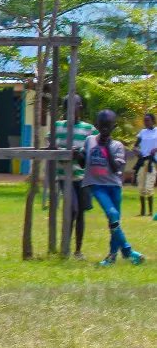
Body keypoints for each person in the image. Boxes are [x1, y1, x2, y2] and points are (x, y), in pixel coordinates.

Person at [78, 109, 144, 268]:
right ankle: (128, 251)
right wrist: (78, 155)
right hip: (97, 186)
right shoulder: (89, 140)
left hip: (114, 186)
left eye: (108, 126)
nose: (104, 129)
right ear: (97, 126)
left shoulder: (117, 146)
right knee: (112, 213)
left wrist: (106, 148)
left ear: (113, 127)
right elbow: (82, 163)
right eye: (102, 126)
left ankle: (112, 257)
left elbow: (116, 169)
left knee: (114, 222)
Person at [54, 96, 97, 259]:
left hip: (82, 177)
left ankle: (78, 250)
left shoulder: (89, 129)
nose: (72, 110)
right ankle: (65, 247)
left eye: (76, 106)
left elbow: (95, 148)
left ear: (80, 107)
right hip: (65, 176)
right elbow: (51, 144)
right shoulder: (58, 126)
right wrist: (61, 149)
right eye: (68, 107)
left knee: (80, 214)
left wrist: (81, 153)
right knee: (72, 210)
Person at [132, 112, 156, 218]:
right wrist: (137, 152)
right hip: (142, 162)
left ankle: (150, 212)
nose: (145, 122)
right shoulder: (142, 132)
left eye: (147, 120)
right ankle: (142, 212)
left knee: (149, 187)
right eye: (144, 120)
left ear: (153, 121)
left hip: (152, 162)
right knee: (141, 187)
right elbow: (135, 146)